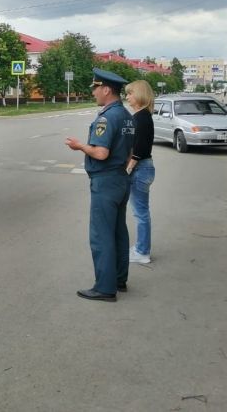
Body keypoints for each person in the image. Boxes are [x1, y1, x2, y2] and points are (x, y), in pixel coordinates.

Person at [65, 67, 134, 302]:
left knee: (101, 234)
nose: (93, 92)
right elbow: (129, 153)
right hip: (121, 178)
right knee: (118, 231)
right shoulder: (125, 115)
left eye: (95, 88)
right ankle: (119, 279)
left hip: (105, 180)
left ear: (106, 89)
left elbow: (101, 153)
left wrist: (79, 146)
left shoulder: (107, 117)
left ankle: (105, 288)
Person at [124, 80, 155, 264]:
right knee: (142, 212)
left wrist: (128, 169)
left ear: (140, 94)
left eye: (130, 93)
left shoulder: (141, 117)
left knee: (140, 213)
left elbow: (140, 149)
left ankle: (143, 252)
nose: (127, 97)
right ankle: (141, 247)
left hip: (140, 168)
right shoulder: (143, 115)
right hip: (145, 168)